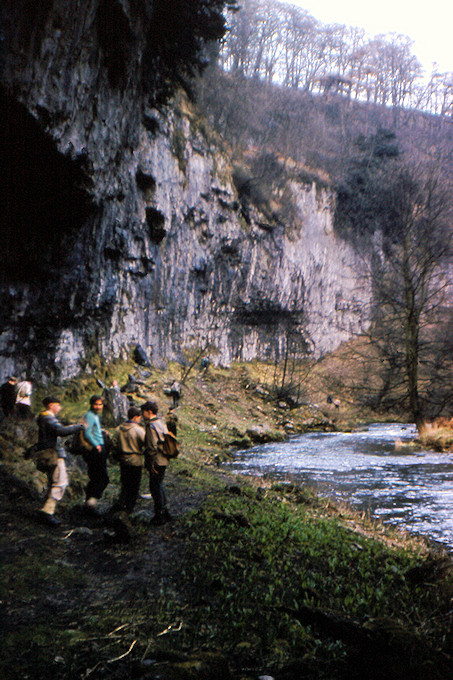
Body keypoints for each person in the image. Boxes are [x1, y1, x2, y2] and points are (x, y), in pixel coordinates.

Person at [36, 396, 84, 527]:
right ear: (51, 405)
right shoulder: (48, 418)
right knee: (61, 482)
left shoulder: (43, 418)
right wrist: (78, 427)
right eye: (58, 405)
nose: (59, 408)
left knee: (53, 482)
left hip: (48, 454)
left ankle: (45, 509)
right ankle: (47, 512)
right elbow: (60, 431)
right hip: (53, 454)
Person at [141, 400, 172, 526]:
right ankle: (165, 512)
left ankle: (159, 516)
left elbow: (152, 447)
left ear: (149, 412)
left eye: (143, 412)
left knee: (155, 488)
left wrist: (151, 463)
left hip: (156, 460)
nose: (142, 415)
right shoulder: (161, 423)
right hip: (164, 459)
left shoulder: (150, 426)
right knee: (160, 485)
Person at [110, 406, 146, 514]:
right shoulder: (138, 430)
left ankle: (121, 503)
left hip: (123, 460)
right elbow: (146, 442)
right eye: (139, 417)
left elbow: (113, 443)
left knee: (125, 484)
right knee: (134, 486)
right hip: (135, 461)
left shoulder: (119, 429)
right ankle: (129, 509)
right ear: (135, 417)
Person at [82, 395, 109, 514]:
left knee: (95, 476)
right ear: (91, 404)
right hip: (96, 449)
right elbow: (87, 433)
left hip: (98, 447)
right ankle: (91, 503)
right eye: (96, 404)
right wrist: (96, 445)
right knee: (102, 477)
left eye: (100, 404)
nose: (98, 407)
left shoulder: (94, 416)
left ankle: (89, 502)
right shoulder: (90, 416)